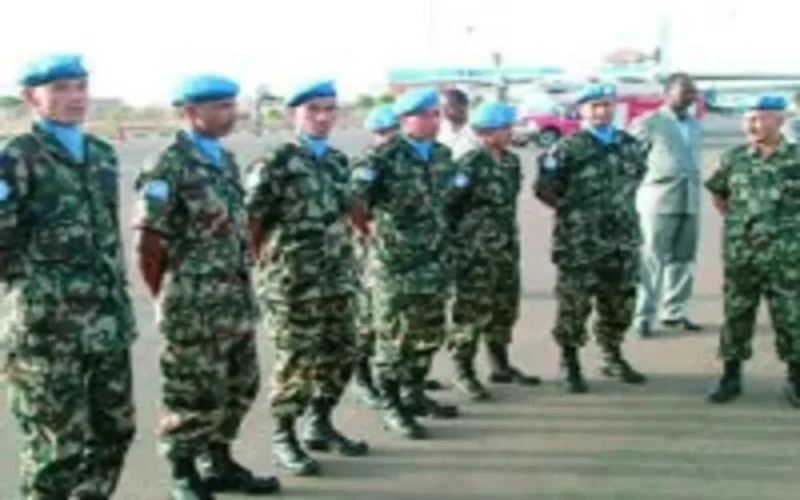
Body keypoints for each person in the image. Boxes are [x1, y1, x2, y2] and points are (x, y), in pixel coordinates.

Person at [133, 74, 280, 498]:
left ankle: (218, 459)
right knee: (192, 393)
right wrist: (167, 296)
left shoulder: (224, 160)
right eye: (218, 106)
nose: (229, 113)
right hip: (193, 305)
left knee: (240, 386)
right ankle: (183, 471)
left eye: (231, 105)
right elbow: (148, 243)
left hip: (234, 300)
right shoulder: (168, 164)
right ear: (189, 112)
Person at [0, 53, 137, 499]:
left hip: (106, 327)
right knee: (56, 452)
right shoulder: (16, 158)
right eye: (60, 88)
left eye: (80, 86)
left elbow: (109, 242)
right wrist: (32, 293)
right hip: (47, 334)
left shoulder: (101, 155)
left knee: (114, 432)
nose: (75, 97)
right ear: (31, 98)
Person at [246, 79, 369, 476]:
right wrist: (263, 266)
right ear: (293, 115)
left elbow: (349, 213)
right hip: (292, 284)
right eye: (312, 109)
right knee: (296, 363)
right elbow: (252, 221)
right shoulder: (275, 162)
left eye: (329, 109)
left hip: (336, 279)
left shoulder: (335, 161)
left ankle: (319, 421)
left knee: (342, 353)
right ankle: (285, 435)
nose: (322, 116)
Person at [350, 87, 464, 439]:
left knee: (427, 334)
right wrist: (376, 237)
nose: (433, 120)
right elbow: (355, 203)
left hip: (433, 261)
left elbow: (451, 200)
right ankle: (391, 404)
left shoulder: (444, 155)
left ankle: (414, 393)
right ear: (404, 121)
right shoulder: (381, 158)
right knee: (393, 338)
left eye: (435, 114)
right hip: (395, 265)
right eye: (425, 115)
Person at [534, 82, 648, 393]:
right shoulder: (567, 148)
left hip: (622, 239)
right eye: (594, 105)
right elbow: (545, 190)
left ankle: (612, 354)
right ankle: (569, 361)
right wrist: (577, 214)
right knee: (575, 304)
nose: (602, 110)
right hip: (580, 243)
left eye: (607, 104)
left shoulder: (629, 145)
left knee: (620, 302)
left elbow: (636, 178)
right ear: (581, 110)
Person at [705, 94, 800, 407]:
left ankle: (795, 378)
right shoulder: (735, 157)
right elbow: (720, 196)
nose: (752, 124)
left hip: (787, 256)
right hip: (742, 254)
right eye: (748, 118)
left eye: (760, 117)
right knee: (737, 315)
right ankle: (730, 376)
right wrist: (745, 226)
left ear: (780, 120)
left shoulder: (795, 158)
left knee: (791, 317)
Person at [447, 100, 541, 401]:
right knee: (471, 313)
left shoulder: (511, 162)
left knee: (504, 308)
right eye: (506, 127)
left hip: (505, 248)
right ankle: (463, 371)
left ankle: (500, 365)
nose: (511, 132)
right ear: (487, 132)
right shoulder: (469, 163)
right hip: (474, 253)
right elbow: (449, 206)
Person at [631, 72, 704, 337]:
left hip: (690, 199)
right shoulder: (649, 122)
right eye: (685, 90)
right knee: (651, 259)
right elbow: (631, 159)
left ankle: (674, 312)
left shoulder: (695, 125)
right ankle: (643, 316)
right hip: (658, 199)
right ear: (667, 93)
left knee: (683, 259)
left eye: (693, 91)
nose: (690, 95)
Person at [351, 104, 400, 408]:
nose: (387, 138)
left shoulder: (403, 161)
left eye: (391, 131)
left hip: (396, 252)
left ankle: (400, 378)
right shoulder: (370, 162)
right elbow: (355, 203)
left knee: (395, 319)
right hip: (372, 252)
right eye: (382, 133)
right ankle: (362, 376)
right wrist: (366, 230)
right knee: (369, 318)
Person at [438, 87, 480, 160]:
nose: (442, 110)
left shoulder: (478, 130)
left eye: (446, 106)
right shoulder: (439, 130)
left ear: (462, 106)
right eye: (441, 106)